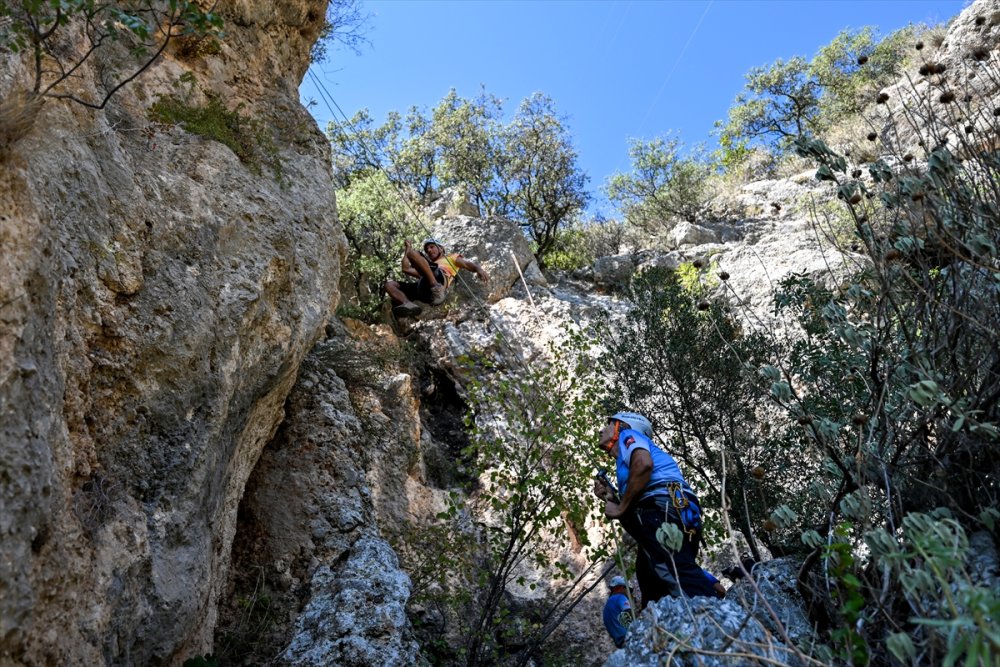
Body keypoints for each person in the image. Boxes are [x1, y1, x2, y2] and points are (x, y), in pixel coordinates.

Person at [593, 411, 722, 607]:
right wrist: (612, 498)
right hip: (679, 510)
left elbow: (644, 465)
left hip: (663, 508)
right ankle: (661, 632)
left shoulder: (630, 436)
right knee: (653, 583)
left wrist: (620, 509)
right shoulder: (626, 464)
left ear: (622, 426)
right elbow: (638, 515)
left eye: (609, 423)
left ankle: (719, 624)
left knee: (675, 573)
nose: (603, 429)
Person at [384, 238, 489, 317]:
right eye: (427, 249)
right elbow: (406, 268)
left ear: (441, 248)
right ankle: (407, 304)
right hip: (423, 288)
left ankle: (436, 287)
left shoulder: (450, 258)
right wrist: (408, 248)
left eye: (432, 247)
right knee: (389, 285)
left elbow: (466, 264)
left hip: (439, 280)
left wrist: (478, 269)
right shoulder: (424, 266)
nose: (429, 250)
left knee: (416, 256)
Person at [602, 575, 635, 649]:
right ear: (621, 587)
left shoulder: (608, 604)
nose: (629, 594)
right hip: (627, 637)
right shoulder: (621, 597)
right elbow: (629, 613)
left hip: (619, 642)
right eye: (628, 590)